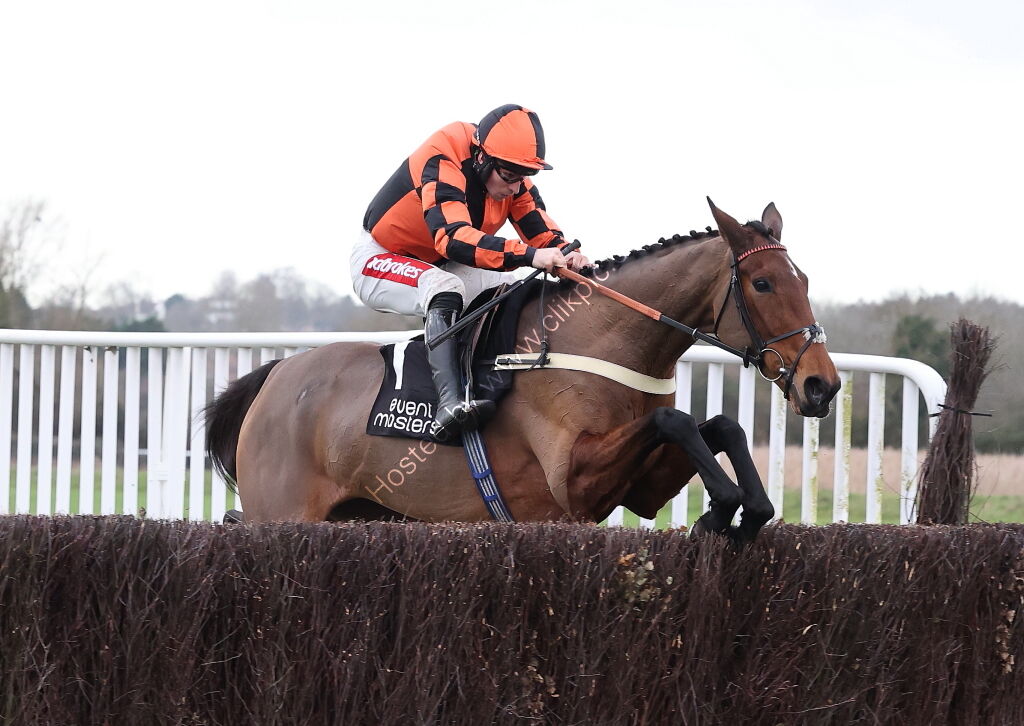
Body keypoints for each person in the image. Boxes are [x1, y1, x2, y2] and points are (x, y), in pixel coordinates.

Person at [351, 104, 589, 438]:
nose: (515, 187)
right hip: (380, 257)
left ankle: (491, 379)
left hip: (440, 261)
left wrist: (569, 254)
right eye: (509, 176)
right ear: (481, 158)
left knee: (512, 286)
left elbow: (537, 227)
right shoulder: (442, 156)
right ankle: (448, 403)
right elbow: (451, 239)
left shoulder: (510, 174)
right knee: (442, 286)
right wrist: (531, 255)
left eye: (524, 177)